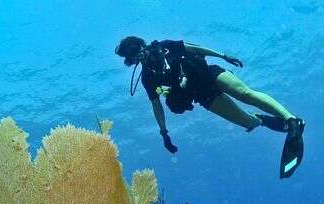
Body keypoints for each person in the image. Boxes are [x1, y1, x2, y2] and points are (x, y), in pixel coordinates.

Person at [115, 36, 306, 178]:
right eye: (133, 56)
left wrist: (223, 56)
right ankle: (262, 119)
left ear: (142, 44)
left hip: (209, 74)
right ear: (131, 61)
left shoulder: (165, 46)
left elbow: (194, 48)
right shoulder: (149, 78)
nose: (140, 55)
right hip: (202, 96)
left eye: (138, 49)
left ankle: (292, 120)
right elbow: (157, 105)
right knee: (248, 122)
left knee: (245, 94)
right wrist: (164, 133)